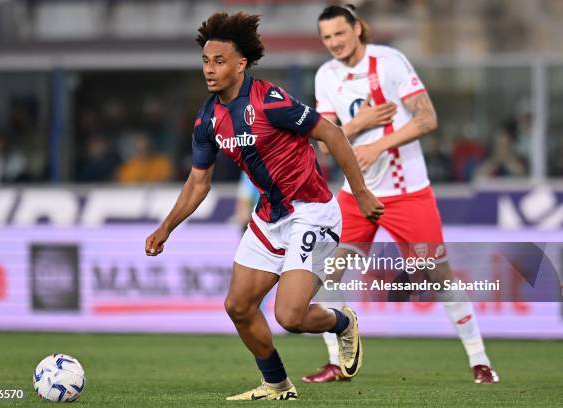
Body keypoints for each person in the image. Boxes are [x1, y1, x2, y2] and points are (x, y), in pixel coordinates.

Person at [145, 11, 384, 401]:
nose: (210, 69)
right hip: (269, 217)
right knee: (238, 306)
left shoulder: (269, 100)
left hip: (311, 211)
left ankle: (342, 322)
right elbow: (198, 182)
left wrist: (360, 193)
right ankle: (277, 384)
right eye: (206, 60)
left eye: (219, 61)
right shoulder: (207, 119)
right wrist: (165, 227)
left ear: (241, 64)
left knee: (289, 317)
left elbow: (332, 134)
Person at [303, 4, 498, 384]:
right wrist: (358, 125)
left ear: (357, 29)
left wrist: (379, 145)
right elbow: (325, 145)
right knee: (327, 272)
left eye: (339, 34)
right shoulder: (325, 75)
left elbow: (427, 118)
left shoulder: (389, 62)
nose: (333, 44)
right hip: (356, 194)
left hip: (407, 193)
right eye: (326, 38)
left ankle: (480, 360)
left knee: (438, 275)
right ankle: (337, 362)